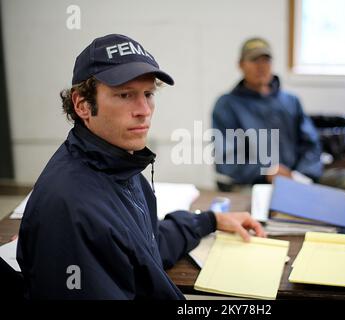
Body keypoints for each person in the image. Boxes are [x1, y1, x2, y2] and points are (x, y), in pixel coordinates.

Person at [17, 34, 265, 300]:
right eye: (125, 94)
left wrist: (210, 220)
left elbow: (147, 246)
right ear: (82, 105)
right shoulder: (71, 210)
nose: (144, 109)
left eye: (148, 94)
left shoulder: (118, 162)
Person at [212, 37, 323, 189]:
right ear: (240, 65)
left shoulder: (291, 102)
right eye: (254, 61)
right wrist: (267, 172)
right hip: (252, 185)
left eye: (266, 60)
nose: (261, 67)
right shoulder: (227, 105)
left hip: (296, 181)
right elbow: (226, 158)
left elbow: (311, 145)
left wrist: (301, 175)